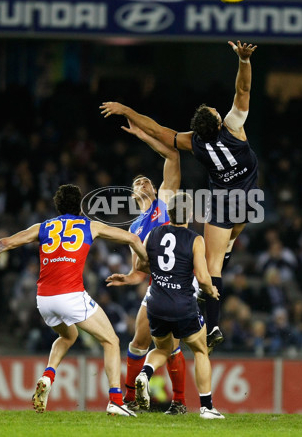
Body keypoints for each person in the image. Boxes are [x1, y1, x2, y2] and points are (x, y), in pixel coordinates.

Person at [101, 40, 261, 353]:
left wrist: (128, 111)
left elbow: (161, 131)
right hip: (248, 199)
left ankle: (212, 324)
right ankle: (214, 303)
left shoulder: (194, 143)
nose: (218, 109)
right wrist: (244, 61)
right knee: (224, 251)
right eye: (216, 111)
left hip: (222, 203)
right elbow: (242, 92)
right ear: (218, 121)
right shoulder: (233, 126)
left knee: (214, 264)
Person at [0, 184, 147, 417]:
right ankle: (115, 400)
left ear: (57, 206)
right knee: (111, 341)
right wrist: (146, 262)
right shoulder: (89, 225)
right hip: (70, 295)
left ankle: (48, 375)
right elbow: (132, 238)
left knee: (68, 335)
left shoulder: (43, 227)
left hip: (43, 299)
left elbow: (7, 242)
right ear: (80, 206)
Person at [105, 121, 189, 414]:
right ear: (132, 195)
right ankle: (130, 398)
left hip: (178, 281)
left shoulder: (165, 201)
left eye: (146, 181)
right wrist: (128, 278)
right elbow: (140, 269)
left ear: (155, 188)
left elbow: (173, 157)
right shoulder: (134, 228)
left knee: (170, 345)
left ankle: (178, 401)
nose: (142, 182)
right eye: (137, 182)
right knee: (139, 341)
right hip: (157, 285)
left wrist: (142, 135)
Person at [126, 192, 223, 419]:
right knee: (200, 350)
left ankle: (145, 373)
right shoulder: (195, 239)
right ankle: (207, 407)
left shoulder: (154, 233)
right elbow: (201, 275)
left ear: (168, 214)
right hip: (183, 305)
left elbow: (141, 264)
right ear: (188, 213)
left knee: (163, 349)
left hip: (156, 304)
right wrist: (211, 290)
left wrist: (161, 273)